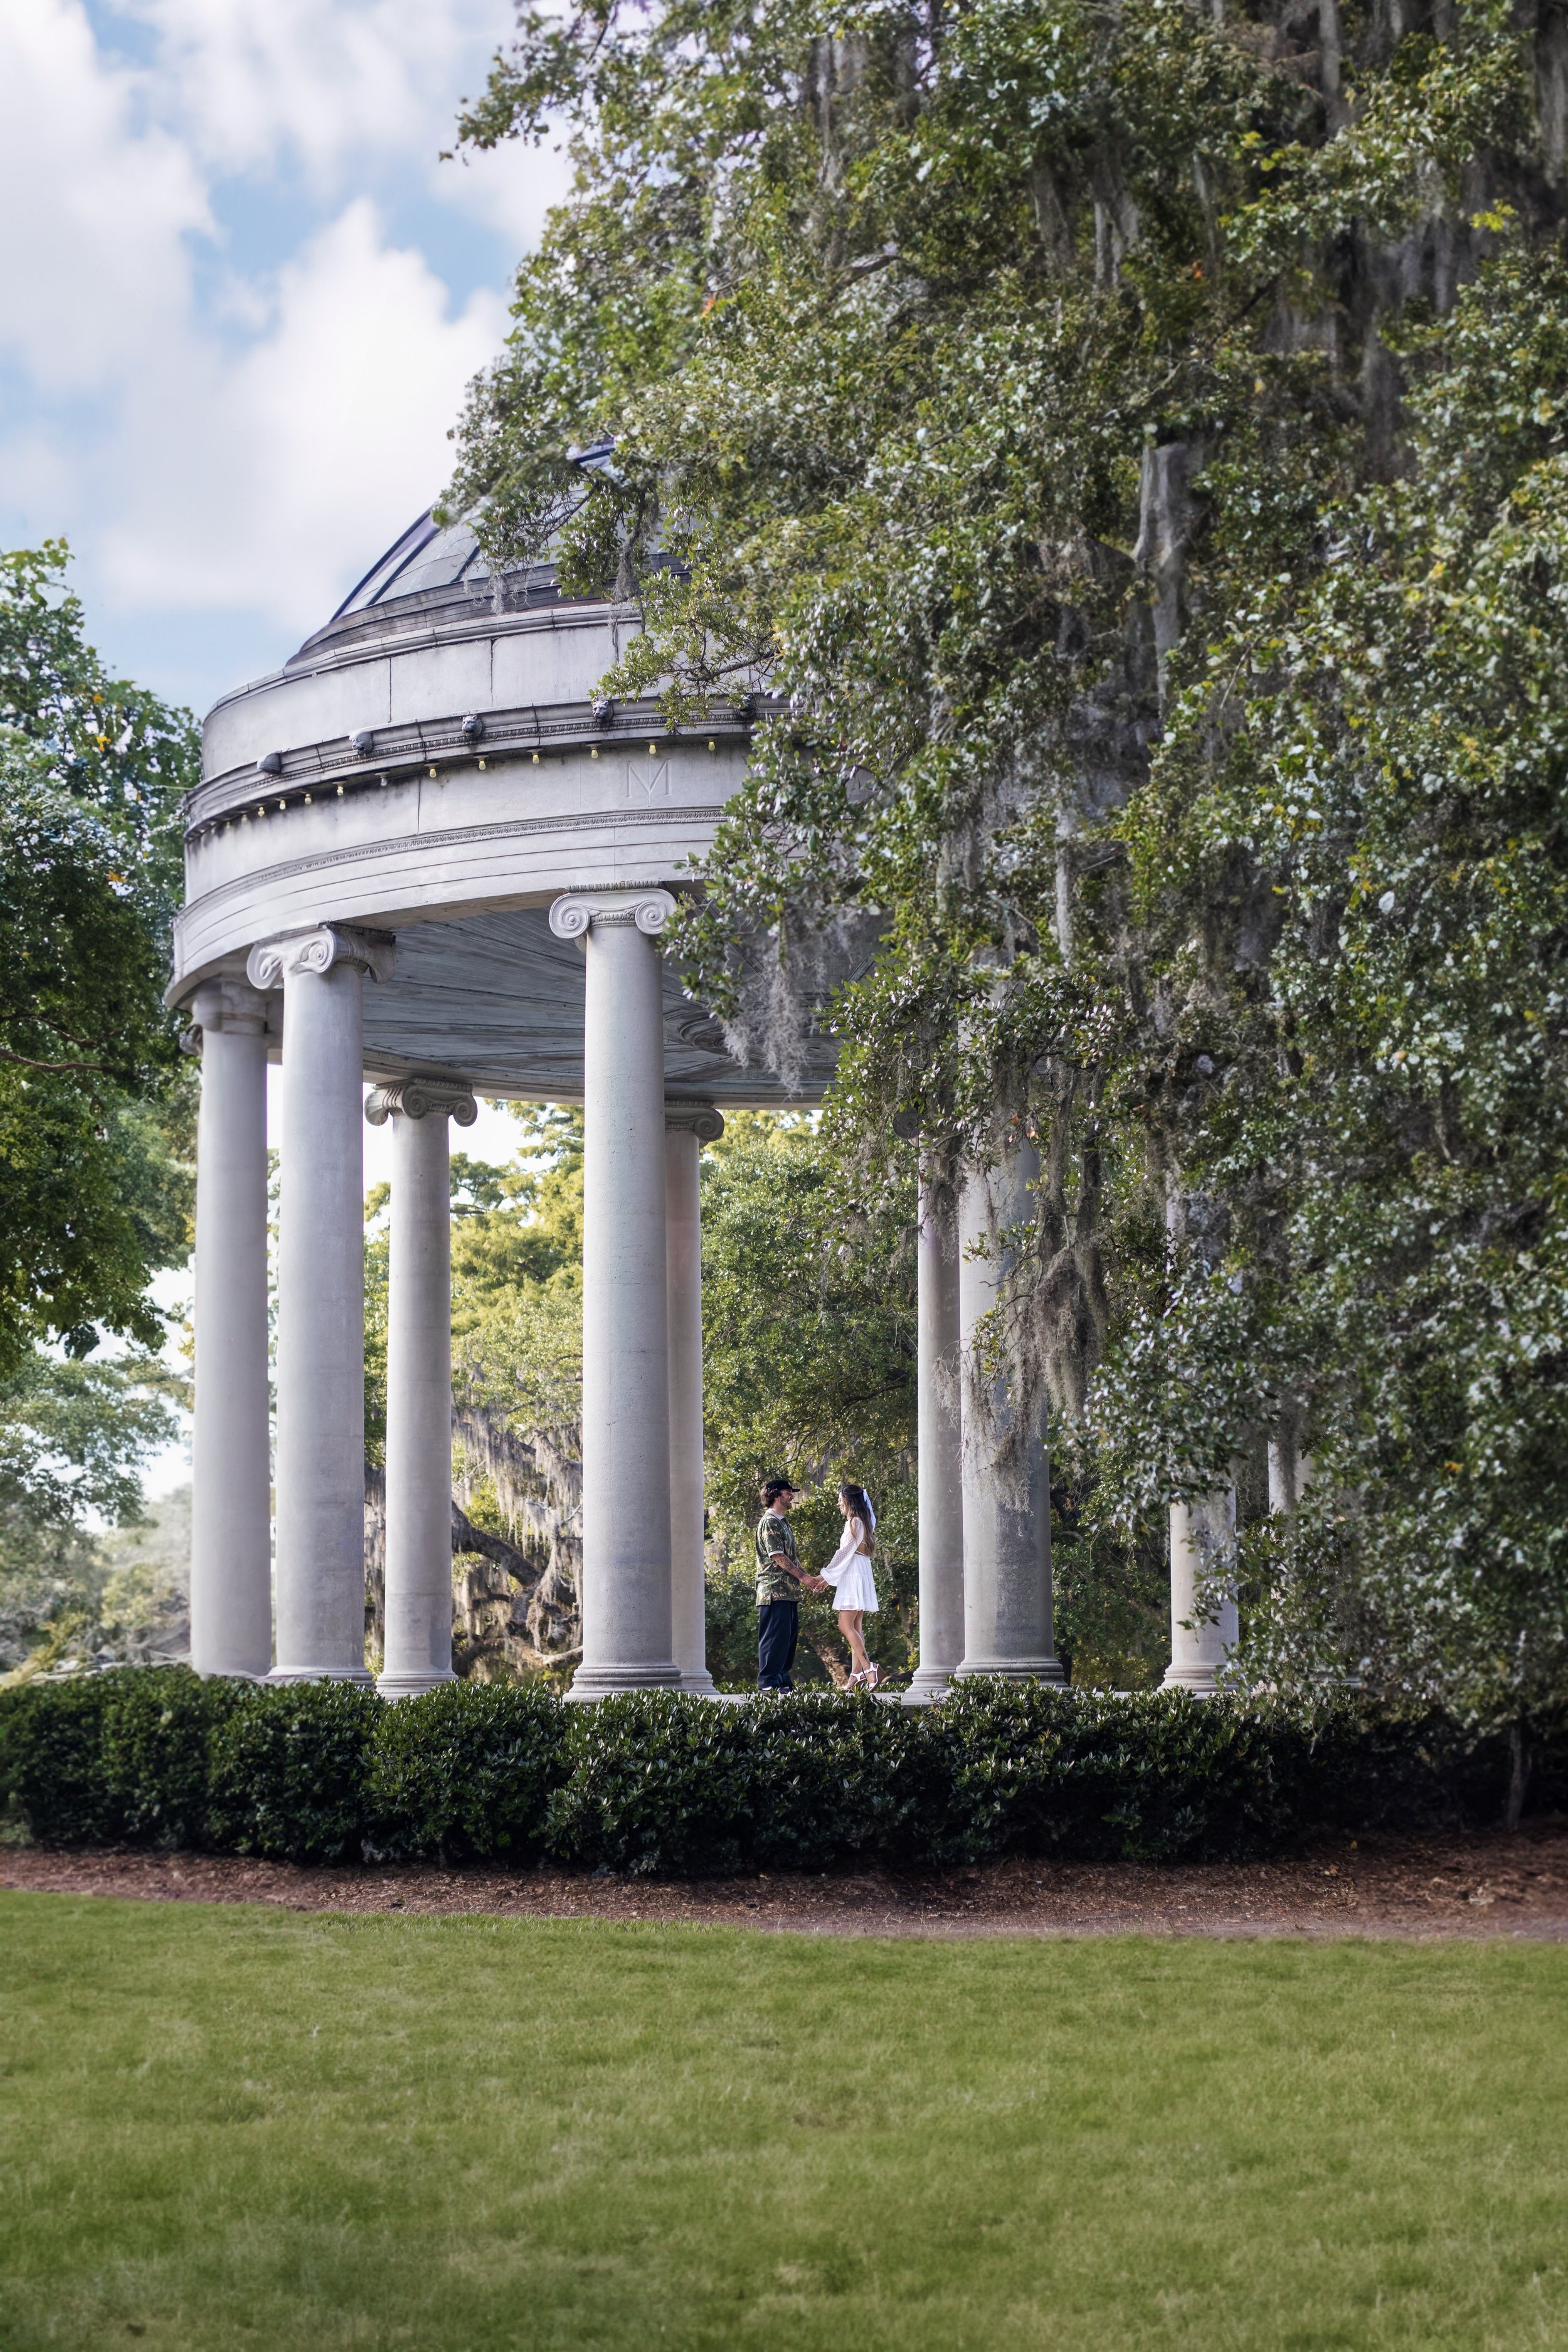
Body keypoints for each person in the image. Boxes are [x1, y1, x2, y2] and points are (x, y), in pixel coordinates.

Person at [754, 1478, 828, 1692]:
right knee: (774, 1638)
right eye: (788, 1493)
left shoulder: (782, 1522)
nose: (792, 1496)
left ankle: (781, 1679)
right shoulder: (770, 1522)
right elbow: (778, 1557)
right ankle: (768, 1683)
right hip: (773, 1591)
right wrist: (804, 1578)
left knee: (787, 1639)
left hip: (788, 1592)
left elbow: (792, 1559)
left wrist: (808, 1578)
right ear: (776, 1496)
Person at [819, 1481, 881, 1689]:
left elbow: (844, 1553)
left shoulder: (855, 1522)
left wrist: (825, 1576)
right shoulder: (863, 1521)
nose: (839, 1504)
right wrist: (826, 1578)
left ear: (849, 1501)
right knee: (855, 1627)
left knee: (845, 1626)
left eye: (840, 1500)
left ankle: (869, 1668)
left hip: (854, 1573)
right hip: (858, 1572)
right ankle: (855, 1676)